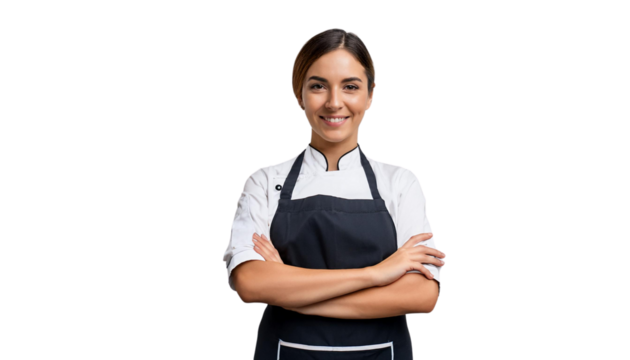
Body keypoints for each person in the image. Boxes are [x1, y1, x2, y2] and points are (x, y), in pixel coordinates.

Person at [221, 27, 446, 359]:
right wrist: (377, 274)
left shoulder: (401, 182)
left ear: (371, 94)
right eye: (317, 86)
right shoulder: (264, 182)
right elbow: (251, 284)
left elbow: (422, 296)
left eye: (350, 87)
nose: (334, 102)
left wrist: (289, 288)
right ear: (298, 95)